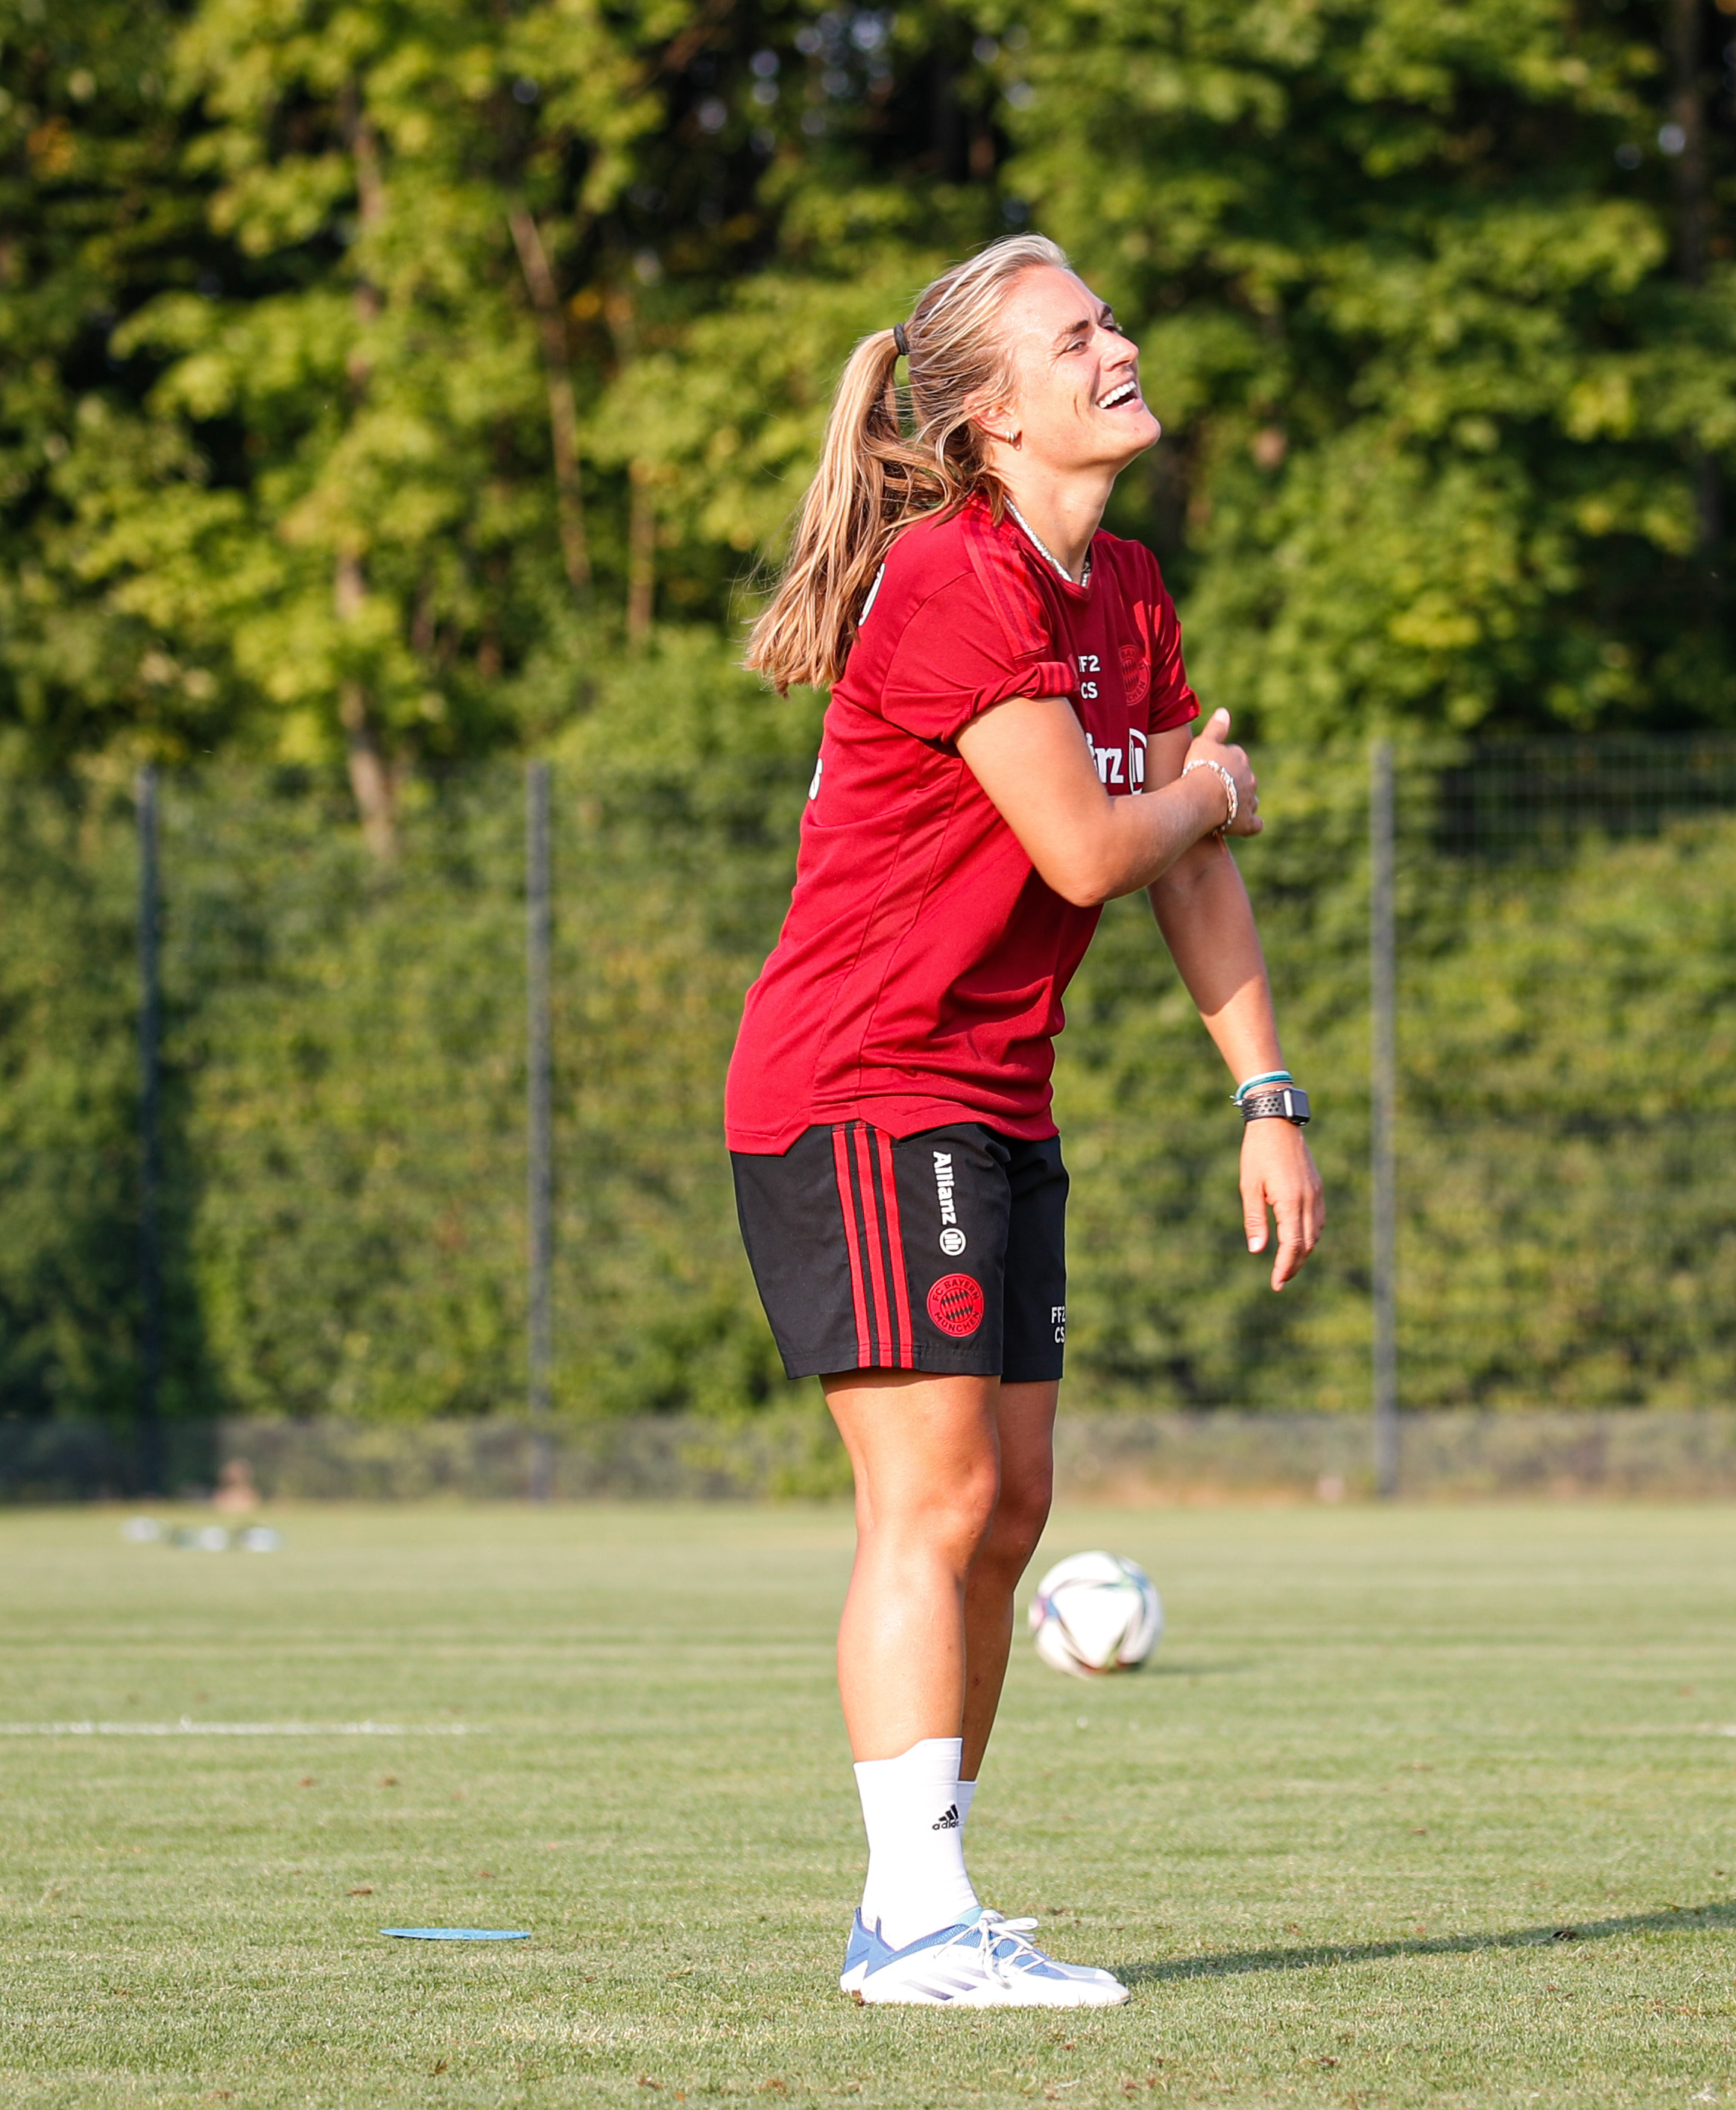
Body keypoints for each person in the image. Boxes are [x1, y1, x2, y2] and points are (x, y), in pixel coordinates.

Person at [725, 233, 1324, 2009]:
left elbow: (1181, 870)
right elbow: (1093, 845)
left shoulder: (1122, 587)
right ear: (988, 416)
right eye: (1078, 336)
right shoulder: (949, 580)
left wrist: (1264, 1095)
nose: (1118, 345)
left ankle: (918, 1903)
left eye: (1111, 320)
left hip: (989, 1092)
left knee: (1011, 1508)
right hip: (856, 1081)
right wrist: (1202, 782)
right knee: (936, 1496)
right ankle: (914, 1923)